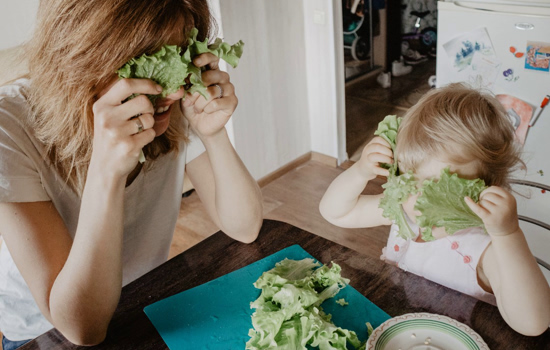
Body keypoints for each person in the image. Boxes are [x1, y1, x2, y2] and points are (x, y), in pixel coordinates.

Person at [0, 0, 263, 348]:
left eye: (179, 55)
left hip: (145, 299)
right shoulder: (9, 127)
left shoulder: (174, 102)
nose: (172, 92)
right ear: (83, 59)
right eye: (147, 62)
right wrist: (107, 173)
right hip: (44, 330)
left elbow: (245, 228)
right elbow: (81, 328)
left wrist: (214, 135)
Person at [319, 83, 550, 336]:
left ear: (484, 189)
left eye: (437, 189)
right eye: (408, 178)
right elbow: (335, 213)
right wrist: (360, 171)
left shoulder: (483, 248)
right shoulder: (403, 215)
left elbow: (534, 324)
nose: (417, 200)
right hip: (401, 331)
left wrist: (508, 236)